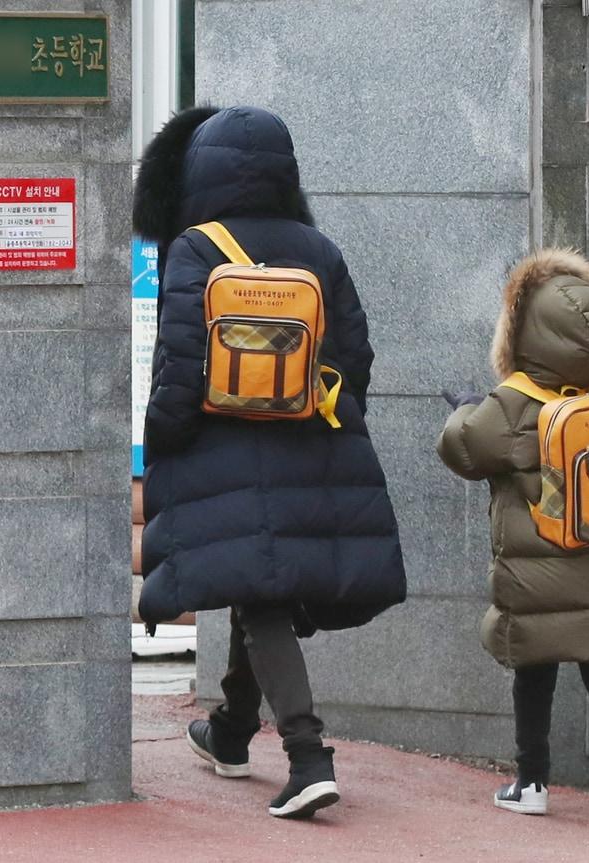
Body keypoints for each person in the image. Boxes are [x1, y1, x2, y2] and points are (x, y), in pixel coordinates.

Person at [132, 105, 407, 819]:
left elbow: (182, 361)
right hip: (313, 442)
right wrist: (331, 423)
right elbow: (357, 356)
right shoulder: (319, 249)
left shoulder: (196, 248)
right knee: (266, 586)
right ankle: (228, 730)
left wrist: (163, 435)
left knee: (261, 590)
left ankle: (308, 754)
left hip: (225, 445)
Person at [436, 248, 589, 833]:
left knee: (533, 664)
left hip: (538, 572)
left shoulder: (516, 401)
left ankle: (531, 780)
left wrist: (465, 408)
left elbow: (462, 448)